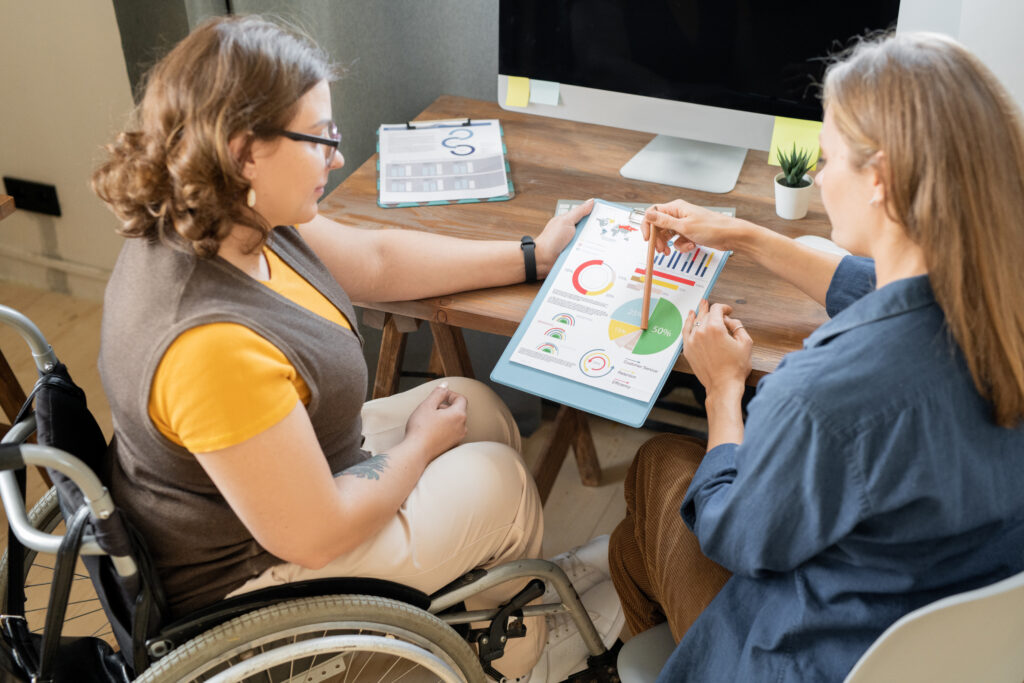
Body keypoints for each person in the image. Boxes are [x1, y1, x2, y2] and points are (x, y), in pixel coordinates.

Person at [92, 14, 621, 682]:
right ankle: (528, 655)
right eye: (319, 139)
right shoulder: (208, 345)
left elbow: (372, 258)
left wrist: (529, 255)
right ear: (243, 149)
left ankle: (514, 589)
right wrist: (418, 447)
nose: (336, 156)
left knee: (481, 409)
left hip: (295, 478)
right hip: (259, 576)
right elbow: (317, 533)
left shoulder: (224, 213)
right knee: (504, 482)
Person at [609, 31, 1024, 682]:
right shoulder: (1001, 305)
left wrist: (722, 391)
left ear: (880, 180)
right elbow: (883, 289)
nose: (820, 176)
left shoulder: (822, 398)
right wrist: (743, 234)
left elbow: (736, 535)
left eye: (828, 159)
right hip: (948, 640)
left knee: (658, 467)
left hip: (810, 654)